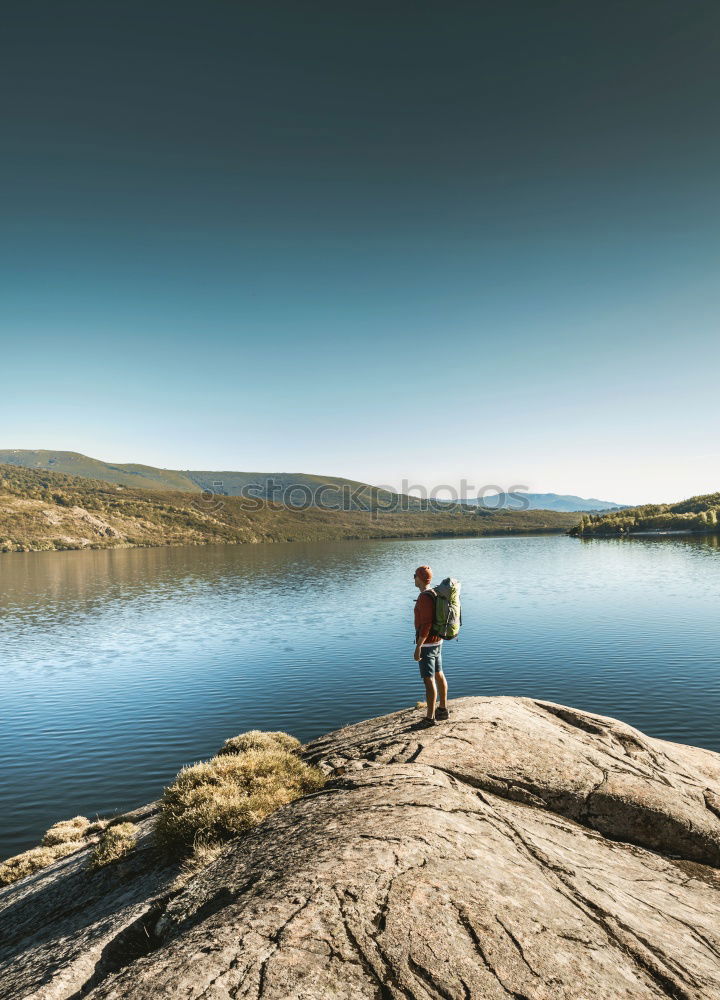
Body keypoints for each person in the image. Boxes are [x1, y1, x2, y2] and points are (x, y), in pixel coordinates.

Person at [413, 565, 449, 726]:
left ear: (420, 578)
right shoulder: (434, 593)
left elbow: (426, 624)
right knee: (439, 674)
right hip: (437, 641)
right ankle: (442, 709)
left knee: (429, 680)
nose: (413, 578)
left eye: (414, 576)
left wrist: (418, 646)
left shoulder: (424, 597)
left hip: (427, 644)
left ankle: (429, 718)